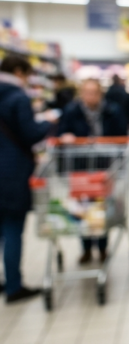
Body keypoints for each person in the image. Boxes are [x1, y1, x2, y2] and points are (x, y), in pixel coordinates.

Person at [0, 56, 54, 303]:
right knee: (12, 228)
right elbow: (30, 134)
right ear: (19, 72)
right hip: (11, 172)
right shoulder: (18, 97)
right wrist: (47, 123)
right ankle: (14, 287)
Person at [58, 79, 128, 264]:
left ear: (100, 93)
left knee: (102, 207)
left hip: (105, 167)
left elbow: (122, 134)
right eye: (86, 92)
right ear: (81, 93)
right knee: (82, 208)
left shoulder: (113, 110)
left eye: (94, 92)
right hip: (80, 167)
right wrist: (67, 137)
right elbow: (62, 131)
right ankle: (86, 248)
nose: (90, 96)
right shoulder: (71, 111)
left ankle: (103, 248)